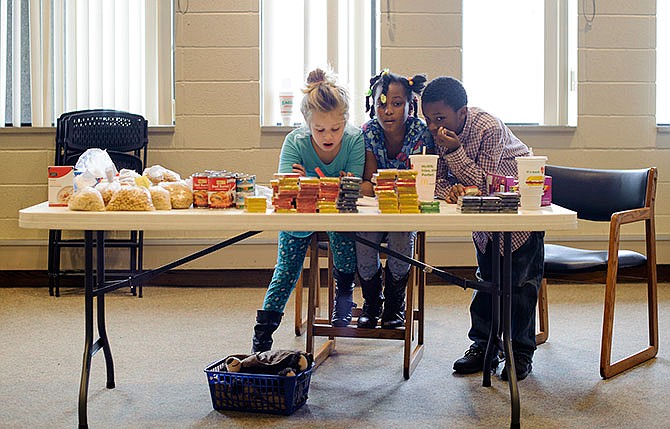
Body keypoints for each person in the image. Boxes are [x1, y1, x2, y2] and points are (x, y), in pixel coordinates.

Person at [421, 76, 543, 381]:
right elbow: (435, 178)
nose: (434, 126)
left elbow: (486, 182)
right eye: (428, 119)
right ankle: (484, 346)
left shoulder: (488, 128)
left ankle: (520, 353)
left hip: (519, 216)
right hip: (483, 221)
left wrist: (456, 152)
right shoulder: (432, 134)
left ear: (462, 113)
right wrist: (450, 190)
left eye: (440, 118)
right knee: (486, 282)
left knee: (521, 287)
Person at [251, 68, 365, 353]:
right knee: (286, 270)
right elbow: (287, 190)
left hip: (337, 215)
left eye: (335, 129)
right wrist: (328, 183)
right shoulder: (295, 141)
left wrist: (310, 182)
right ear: (307, 124)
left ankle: (343, 303)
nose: (328, 136)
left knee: (343, 244)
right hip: (300, 215)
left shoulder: (354, 140)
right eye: (319, 130)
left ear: (346, 121)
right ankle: (263, 333)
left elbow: (350, 188)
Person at [355, 69, 434, 329]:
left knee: (401, 234)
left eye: (397, 104)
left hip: (406, 208)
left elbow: (419, 181)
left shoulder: (421, 133)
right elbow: (367, 184)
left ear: (410, 106)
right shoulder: (368, 132)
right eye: (382, 103)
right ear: (372, 104)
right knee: (365, 237)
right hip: (374, 209)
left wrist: (383, 185)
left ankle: (394, 303)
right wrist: (382, 186)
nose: (388, 110)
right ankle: (371, 301)